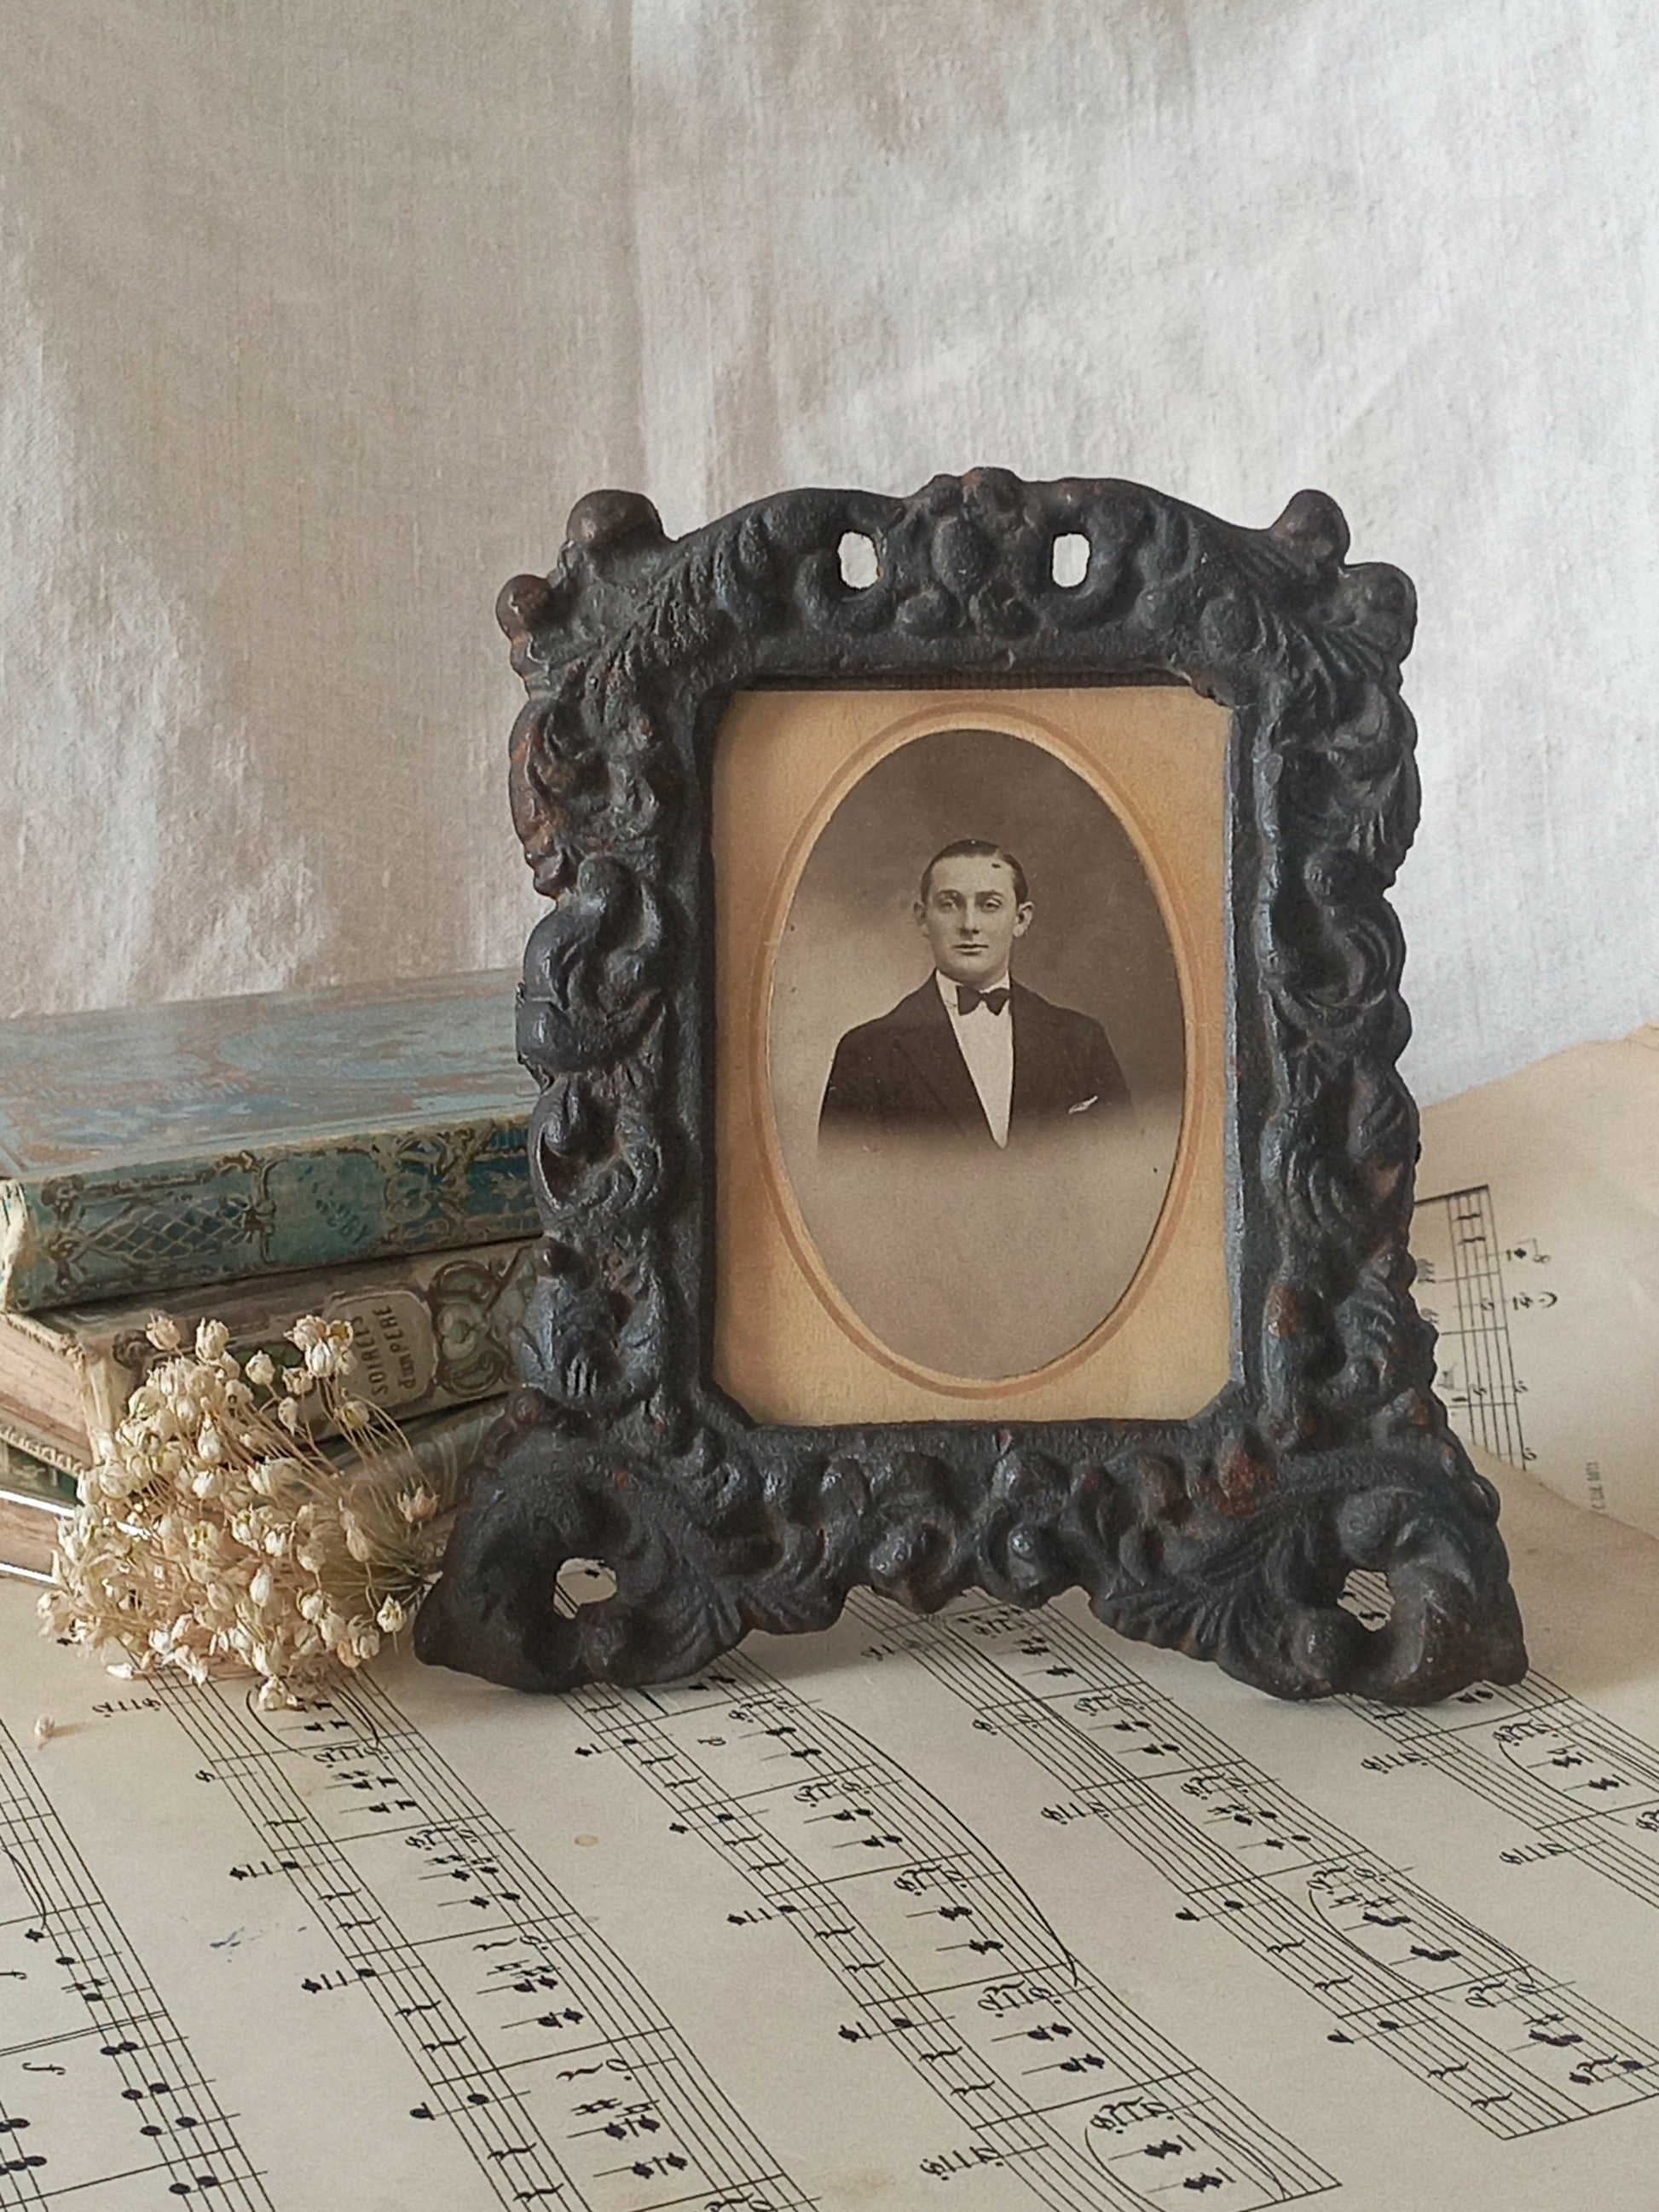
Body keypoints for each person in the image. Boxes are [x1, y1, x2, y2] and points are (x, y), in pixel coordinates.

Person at [818, 839, 1127, 1148]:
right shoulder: (868, 1052)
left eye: (989, 905)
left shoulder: (1081, 1040)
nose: (969, 924)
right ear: (923, 919)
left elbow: (1123, 1166)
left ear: (1021, 919)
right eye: (949, 904)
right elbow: (843, 1176)